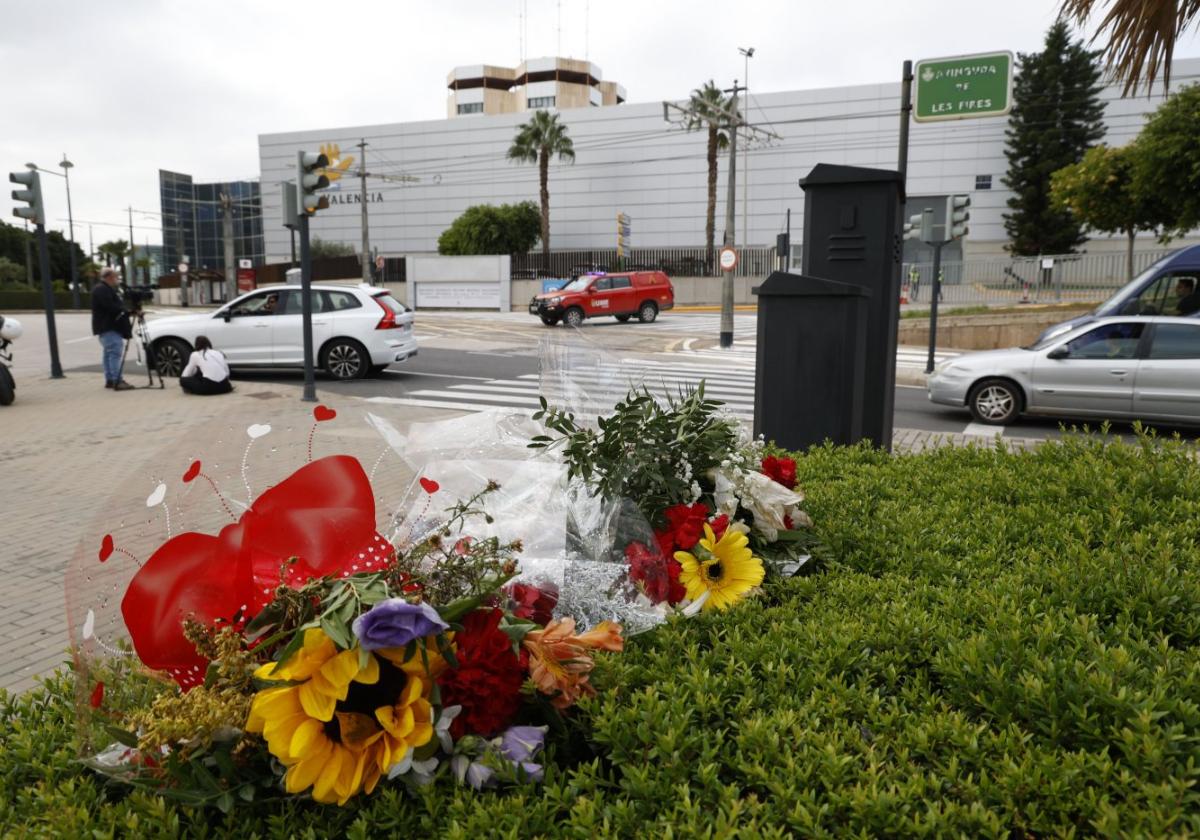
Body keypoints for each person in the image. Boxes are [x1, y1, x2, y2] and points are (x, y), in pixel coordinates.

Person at [91, 267, 133, 391]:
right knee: (114, 354)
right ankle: (117, 381)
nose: (117, 279)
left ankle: (110, 380)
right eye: (115, 276)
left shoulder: (102, 289)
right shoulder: (102, 290)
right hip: (109, 327)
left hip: (107, 327)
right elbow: (111, 307)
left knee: (108, 354)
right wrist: (126, 310)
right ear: (109, 277)